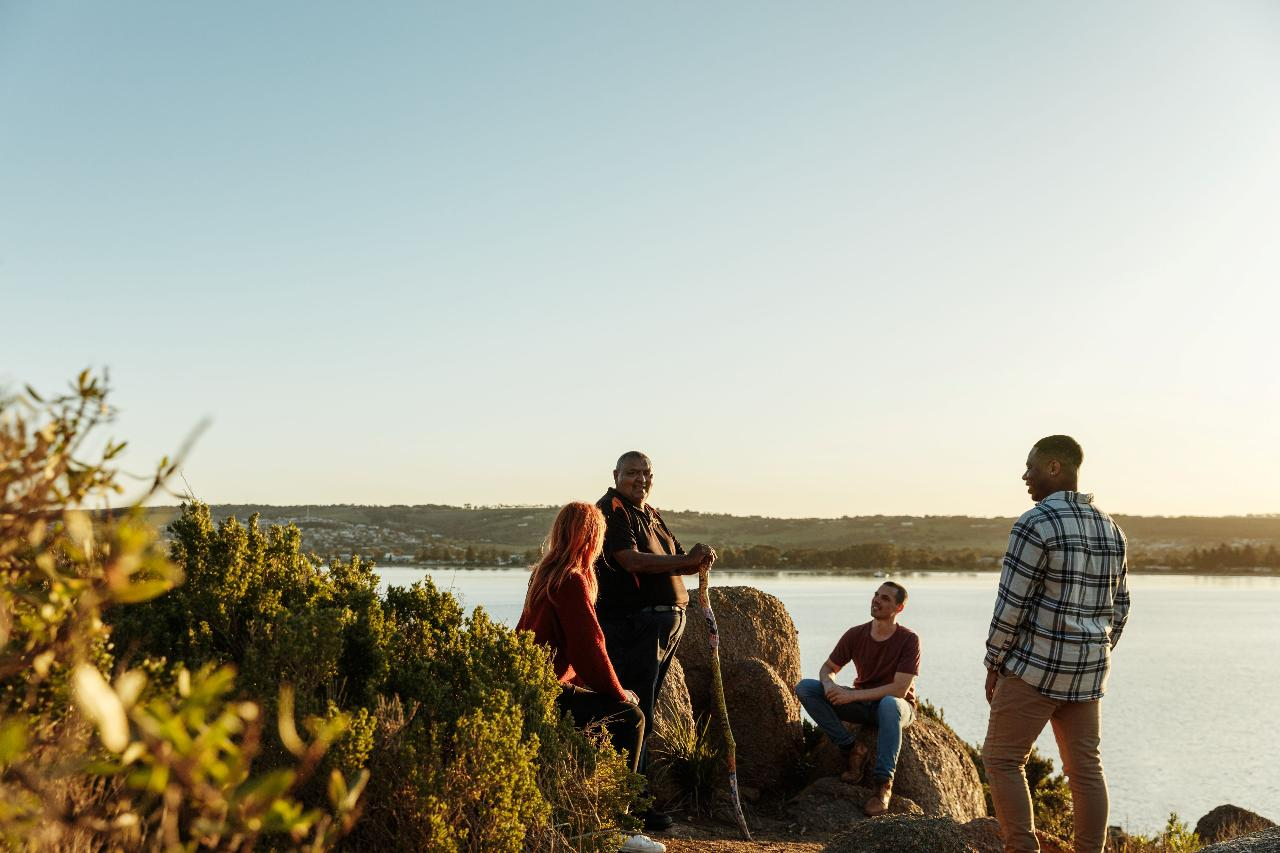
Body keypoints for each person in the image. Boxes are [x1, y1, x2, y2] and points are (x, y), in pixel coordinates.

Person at [982, 435, 1130, 853]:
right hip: (1088, 673)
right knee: (1085, 770)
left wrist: (994, 662)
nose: (1024, 475)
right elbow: (1120, 608)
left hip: (1034, 670)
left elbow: (1011, 604)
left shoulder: (1034, 523)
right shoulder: (1111, 528)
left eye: (1030, 466)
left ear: (1053, 468)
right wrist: (1093, 651)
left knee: (1002, 759)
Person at [516, 501, 667, 853]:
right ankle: (616, 827)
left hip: (530, 686)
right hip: (545, 692)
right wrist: (619, 693)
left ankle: (583, 812)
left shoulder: (546, 572)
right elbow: (589, 647)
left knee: (605, 711)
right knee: (630, 717)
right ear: (592, 537)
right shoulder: (571, 579)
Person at [594, 451, 716, 832]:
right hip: (635, 626)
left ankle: (638, 799)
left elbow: (676, 559)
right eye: (632, 473)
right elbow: (631, 561)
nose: (640, 479)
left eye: (646, 473)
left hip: (665, 625)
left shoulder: (651, 513)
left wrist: (697, 560)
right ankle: (630, 804)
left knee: (646, 709)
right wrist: (684, 561)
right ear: (616, 475)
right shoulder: (611, 510)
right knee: (634, 712)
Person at [794, 581, 921, 816]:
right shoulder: (856, 634)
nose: (876, 600)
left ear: (899, 608)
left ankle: (883, 786)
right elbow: (828, 667)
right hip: (862, 706)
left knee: (889, 704)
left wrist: (851, 695)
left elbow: (899, 690)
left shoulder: (909, 640)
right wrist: (830, 684)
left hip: (897, 708)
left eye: (885, 598)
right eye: (876, 595)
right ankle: (852, 748)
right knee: (806, 688)